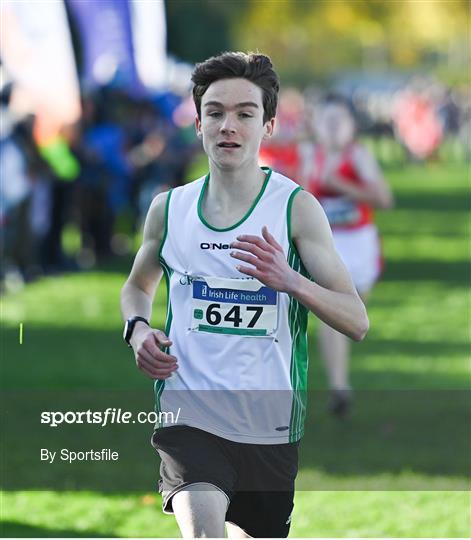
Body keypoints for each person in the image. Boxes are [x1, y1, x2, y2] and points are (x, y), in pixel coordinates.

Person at [120, 52, 369, 539]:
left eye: (244, 113)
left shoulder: (296, 210)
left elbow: (356, 320)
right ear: (197, 124)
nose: (227, 126)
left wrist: (290, 280)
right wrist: (138, 329)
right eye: (214, 112)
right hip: (189, 411)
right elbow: (137, 286)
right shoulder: (168, 209)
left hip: (268, 424)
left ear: (269, 125)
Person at [300, 94, 394, 417]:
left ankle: (341, 383)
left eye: (340, 121)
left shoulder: (359, 157)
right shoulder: (309, 154)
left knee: (353, 313)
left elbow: (384, 199)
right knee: (332, 314)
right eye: (327, 121)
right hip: (326, 244)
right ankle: (340, 387)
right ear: (317, 125)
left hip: (360, 242)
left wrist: (340, 183)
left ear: (352, 127)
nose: (333, 128)